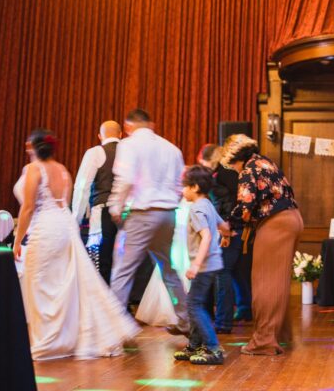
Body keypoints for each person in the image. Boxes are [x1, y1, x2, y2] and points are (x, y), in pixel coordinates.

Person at [12, 129, 140, 360]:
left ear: (33, 146)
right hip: (65, 226)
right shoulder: (62, 170)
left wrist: (17, 240)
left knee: (40, 282)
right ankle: (65, 337)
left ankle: (49, 339)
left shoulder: (33, 169)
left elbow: (28, 207)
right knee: (65, 282)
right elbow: (66, 201)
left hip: (45, 227)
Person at [108, 109, 189, 335]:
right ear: (151, 124)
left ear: (128, 127)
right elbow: (180, 186)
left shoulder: (129, 145)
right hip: (168, 213)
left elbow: (125, 180)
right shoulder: (172, 148)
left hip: (141, 213)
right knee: (168, 269)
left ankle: (115, 330)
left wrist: (116, 207)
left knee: (123, 271)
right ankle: (186, 320)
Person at [220, 134, 303, 355]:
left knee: (264, 282)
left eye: (231, 165)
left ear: (235, 157)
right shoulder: (265, 162)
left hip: (276, 224)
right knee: (278, 281)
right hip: (292, 219)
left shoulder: (248, 169)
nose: (233, 169)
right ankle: (281, 334)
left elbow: (245, 207)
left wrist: (227, 225)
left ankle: (264, 341)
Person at [173, 165, 227, 365]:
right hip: (213, 263)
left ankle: (213, 348)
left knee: (193, 305)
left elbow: (206, 236)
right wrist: (228, 234)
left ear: (195, 187)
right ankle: (195, 345)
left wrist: (196, 264)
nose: (182, 190)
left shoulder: (196, 208)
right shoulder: (208, 204)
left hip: (204, 266)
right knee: (197, 303)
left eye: (185, 186)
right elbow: (222, 225)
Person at [197, 144, 250, 332]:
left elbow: (230, 202)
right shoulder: (224, 174)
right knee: (235, 272)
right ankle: (244, 310)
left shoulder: (223, 175)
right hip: (232, 225)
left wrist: (226, 227)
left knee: (222, 272)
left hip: (229, 228)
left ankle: (223, 322)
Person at [71, 120, 121, 283]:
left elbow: (82, 187)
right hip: (127, 214)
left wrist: (76, 219)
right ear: (120, 134)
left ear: (100, 136)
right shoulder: (130, 152)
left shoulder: (96, 152)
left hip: (103, 214)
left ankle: (102, 296)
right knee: (122, 267)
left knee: (99, 264)